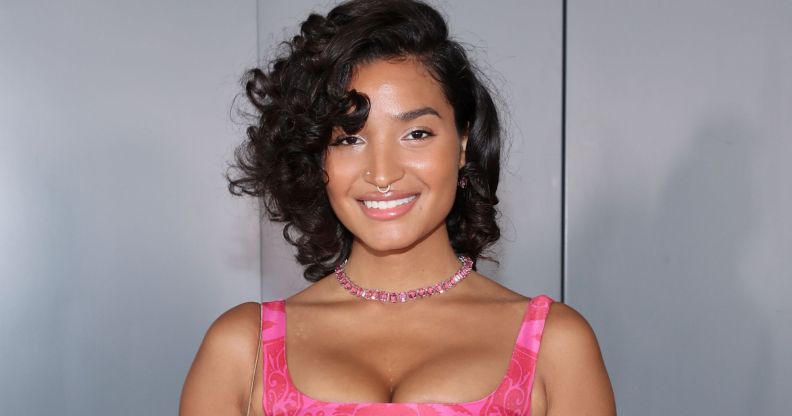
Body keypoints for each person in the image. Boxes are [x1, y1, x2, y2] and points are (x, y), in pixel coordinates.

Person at [180, 0, 615, 415]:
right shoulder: (243, 348)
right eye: (349, 139)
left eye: (417, 134)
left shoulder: (555, 345)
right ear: (316, 156)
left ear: (463, 143)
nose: (382, 173)